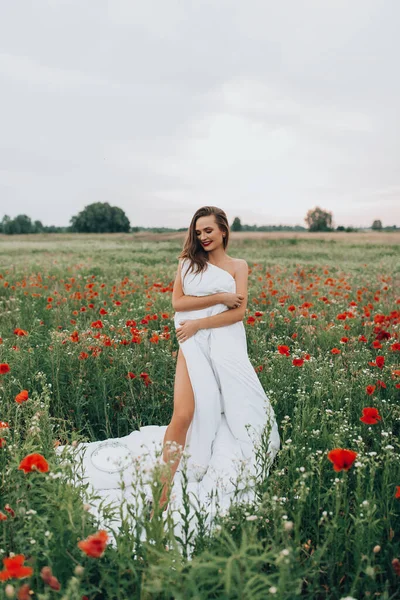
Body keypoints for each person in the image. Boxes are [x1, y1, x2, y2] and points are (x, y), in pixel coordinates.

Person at [57, 206, 280, 541]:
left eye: (209, 230)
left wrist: (202, 321)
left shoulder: (238, 266)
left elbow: (240, 312)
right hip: (191, 342)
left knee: (229, 412)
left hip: (227, 345)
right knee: (184, 413)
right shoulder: (188, 263)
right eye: (198, 231)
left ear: (223, 230)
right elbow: (177, 303)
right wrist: (218, 297)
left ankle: (211, 462)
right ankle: (160, 497)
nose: (203, 237)